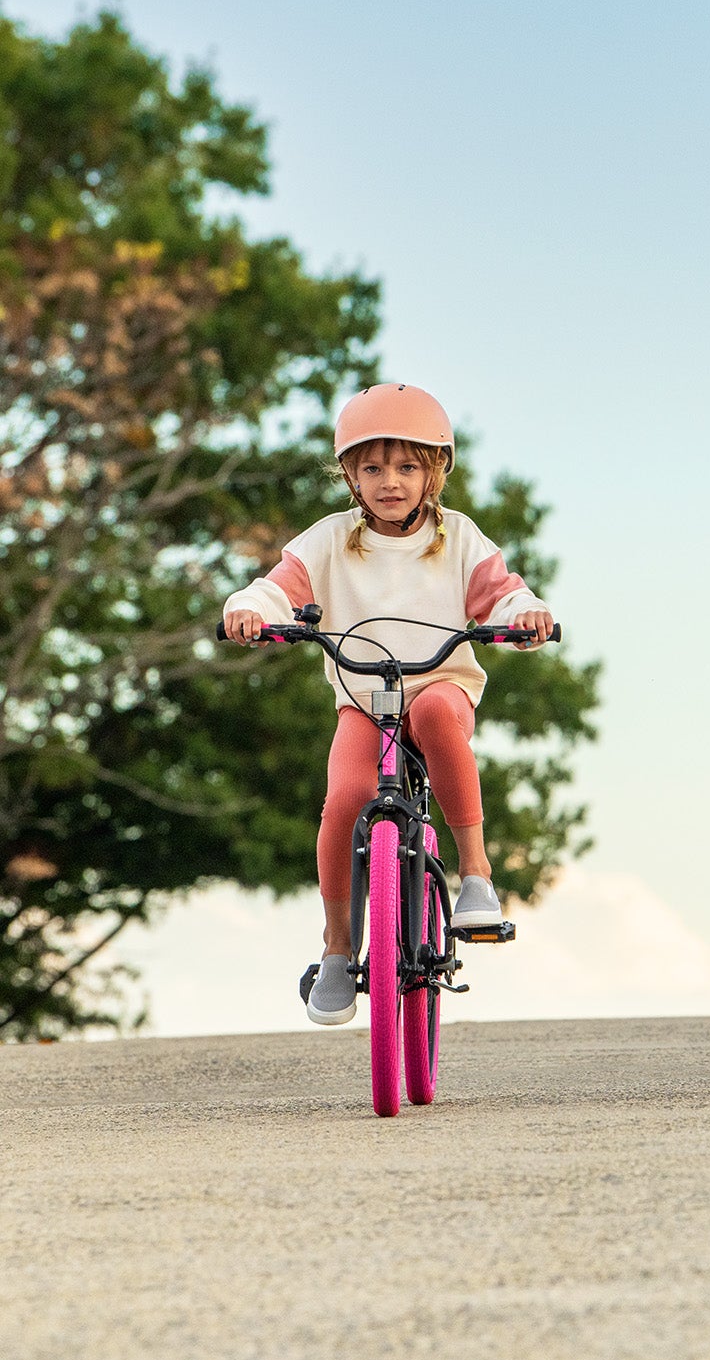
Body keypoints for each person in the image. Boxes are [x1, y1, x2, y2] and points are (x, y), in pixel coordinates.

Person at [223, 382, 555, 1026]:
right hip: (364, 702)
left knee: (433, 712)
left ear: (435, 471)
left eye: (408, 466)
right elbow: (277, 586)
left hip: (442, 688)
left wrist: (527, 614)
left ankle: (477, 876)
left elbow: (503, 593)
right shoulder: (330, 539)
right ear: (349, 474)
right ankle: (339, 949)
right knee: (344, 798)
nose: (390, 482)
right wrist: (248, 609)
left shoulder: (457, 538)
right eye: (372, 468)